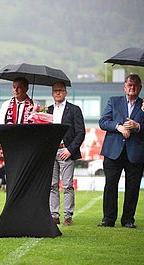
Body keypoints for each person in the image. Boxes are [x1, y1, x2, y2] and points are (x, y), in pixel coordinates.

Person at [98, 74, 144, 228]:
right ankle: (108, 219)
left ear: (140, 87)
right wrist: (118, 127)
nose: (132, 88)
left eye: (135, 85)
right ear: (124, 87)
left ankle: (128, 220)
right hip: (113, 151)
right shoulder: (114, 101)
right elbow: (103, 122)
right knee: (110, 185)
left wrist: (137, 126)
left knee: (133, 188)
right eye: (129, 85)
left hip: (135, 152)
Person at [48, 81, 86, 226]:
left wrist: (70, 150)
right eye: (55, 90)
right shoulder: (48, 110)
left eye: (60, 90)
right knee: (52, 185)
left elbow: (80, 133)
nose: (58, 92)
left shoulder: (74, 110)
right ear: (52, 93)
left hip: (67, 151)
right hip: (51, 151)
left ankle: (68, 215)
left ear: (65, 92)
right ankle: (54, 215)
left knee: (68, 185)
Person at [0, 77, 35, 159]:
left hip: (27, 148)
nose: (15, 90)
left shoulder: (34, 105)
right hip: (9, 146)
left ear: (26, 88)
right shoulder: (6, 105)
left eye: (19, 87)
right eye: (14, 87)